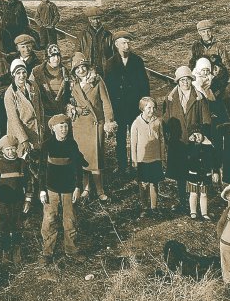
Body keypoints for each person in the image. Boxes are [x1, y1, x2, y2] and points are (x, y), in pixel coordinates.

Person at [162, 66, 212, 212]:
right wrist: (164, 133)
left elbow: (206, 119)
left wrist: (201, 134)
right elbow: (166, 118)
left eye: (187, 80)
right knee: (179, 172)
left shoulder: (199, 98)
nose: (185, 83)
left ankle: (195, 205)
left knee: (194, 171)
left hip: (194, 142)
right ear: (177, 82)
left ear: (191, 80)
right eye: (182, 80)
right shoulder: (171, 98)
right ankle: (182, 201)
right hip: (178, 141)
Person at [39, 114, 86, 265]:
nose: (64, 129)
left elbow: (78, 168)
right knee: (49, 220)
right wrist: (42, 190)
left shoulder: (72, 145)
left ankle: (71, 250)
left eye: (66, 126)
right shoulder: (47, 145)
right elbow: (41, 170)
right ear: (53, 128)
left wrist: (78, 186)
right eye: (61, 127)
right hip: (51, 189)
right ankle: (47, 253)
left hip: (68, 189)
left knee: (70, 220)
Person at [68, 52, 116, 202]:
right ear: (74, 71)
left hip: (96, 124)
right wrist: (75, 110)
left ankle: (100, 190)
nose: (81, 70)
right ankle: (86, 187)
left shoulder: (97, 80)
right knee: (83, 158)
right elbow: (67, 104)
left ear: (88, 67)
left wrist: (109, 121)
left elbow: (106, 102)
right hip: (79, 126)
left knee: (96, 158)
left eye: (83, 67)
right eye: (77, 68)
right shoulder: (72, 84)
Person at [104, 30, 150, 175]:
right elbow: (108, 87)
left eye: (128, 43)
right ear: (116, 45)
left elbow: (144, 84)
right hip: (119, 108)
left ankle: (136, 164)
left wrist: (144, 104)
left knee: (136, 136)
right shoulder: (110, 63)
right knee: (121, 138)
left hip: (134, 107)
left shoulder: (137, 61)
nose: (126, 46)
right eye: (123, 43)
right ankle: (122, 165)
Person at [0, 135, 31, 263]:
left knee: (18, 225)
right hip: (4, 202)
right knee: (4, 226)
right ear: (2, 151)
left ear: (16, 149)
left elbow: (28, 182)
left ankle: (17, 250)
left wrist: (28, 200)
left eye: (13, 149)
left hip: (18, 201)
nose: (11, 152)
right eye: (7, 150)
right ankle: (6, 250)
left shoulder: (21, 163)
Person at [130, 96, 165, 217]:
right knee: (143, 183)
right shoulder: (136, 123)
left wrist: (162, 156)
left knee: (154, 183)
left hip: (155, 158)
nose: (152, 110)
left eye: (153, 108)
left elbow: (161, 140)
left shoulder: (157, 122)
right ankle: (144, 207)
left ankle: (154, 207)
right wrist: (134, 160)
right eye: (149, 108)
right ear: (142, 108)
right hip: (142, 159)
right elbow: (133, 143)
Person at [186, 128, 220, 222]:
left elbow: (215, 160)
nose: (197, 137)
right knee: (193, 193)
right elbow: (190, 157)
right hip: (193, 173)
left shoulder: (209, 146)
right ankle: (193, 211)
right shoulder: (191, 146)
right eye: (195, 135)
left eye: (199, 134)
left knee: (204, 194)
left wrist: (216, 171)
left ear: (203, 134)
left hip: (205, 174)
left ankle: (204, 213)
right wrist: (193, 143)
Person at [30, 44, 70, 122]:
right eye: (53, 56)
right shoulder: (37, 72)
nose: (56, 59)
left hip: (61, 114)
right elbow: (32, 92)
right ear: (47, 58)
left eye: (58, 55)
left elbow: (69, 92)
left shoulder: (65, 71)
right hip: (44, 114)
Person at [74, 6, 115, 77]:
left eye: (98, 18)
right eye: (93, 19)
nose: (96, 21)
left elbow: (113, 54)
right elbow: (77, 54)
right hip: (88, 70)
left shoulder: (108, 35)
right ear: (89, 20)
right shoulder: (82, 35)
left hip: (104, 71)